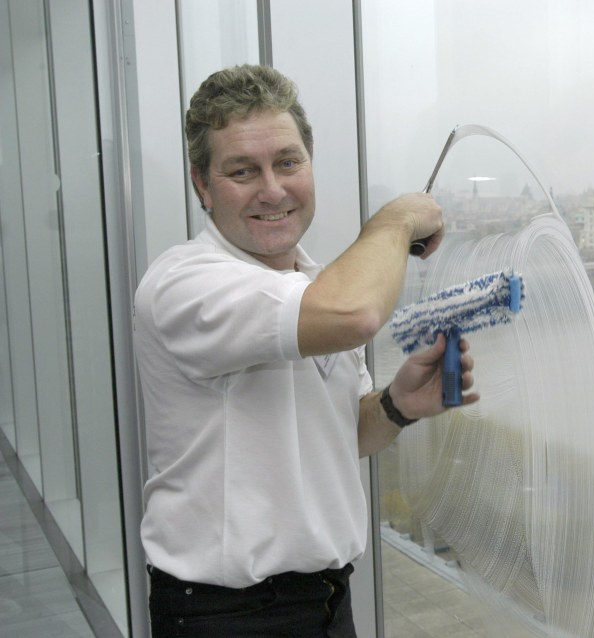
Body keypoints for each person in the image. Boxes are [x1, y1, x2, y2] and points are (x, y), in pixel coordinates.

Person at [134, 64, 477, 637]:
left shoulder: (315, 288)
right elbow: (359, 313)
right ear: (202, 184)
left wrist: (396, 405)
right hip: (226, 617)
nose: (273, 189)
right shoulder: (183, 284)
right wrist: (395, 221)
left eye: (288, 162)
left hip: (326, 602)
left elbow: (343, 437)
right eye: (243, 171)